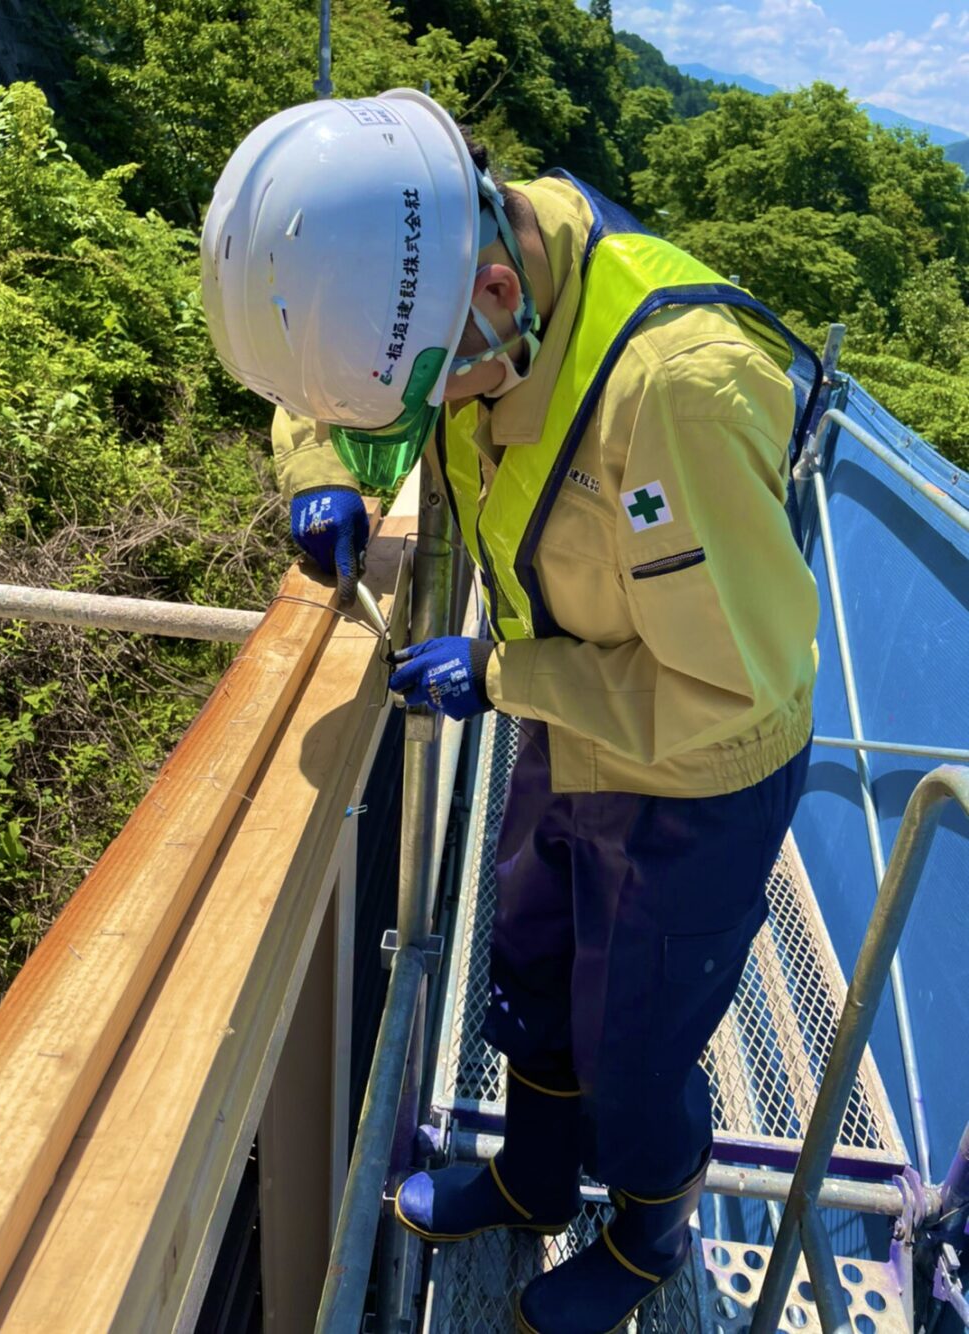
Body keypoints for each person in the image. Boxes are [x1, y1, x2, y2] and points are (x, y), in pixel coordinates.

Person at [201, 88, 820, 1334]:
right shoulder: (431, 282)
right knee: (531, 962)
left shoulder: (677, 393)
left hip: (699, 775)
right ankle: (533, 1174)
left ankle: (648, 1232)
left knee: (633, 1048)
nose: (424, 434)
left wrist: (495, 677)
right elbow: (325, 382)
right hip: (566, 714)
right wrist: (324, 476)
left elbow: (728, 688)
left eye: (432, 406)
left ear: (492, 295)